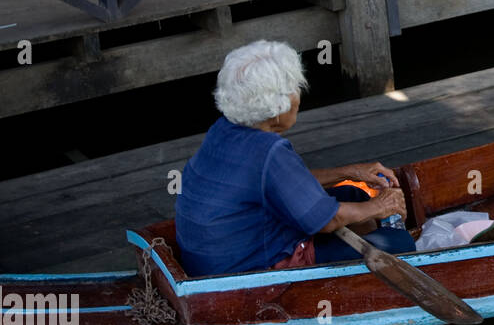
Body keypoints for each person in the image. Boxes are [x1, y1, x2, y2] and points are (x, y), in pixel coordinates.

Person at [175, 41, 415, 277]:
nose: (298, 96)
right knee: (398, 243)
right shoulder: (269, 150)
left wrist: (350, 173)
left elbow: (285, 184)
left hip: (210, 259)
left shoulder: (223, 130)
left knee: (355, 194)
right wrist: (381, 206)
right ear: (279, 105)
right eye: (295, 89)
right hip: (247, 271)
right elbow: (326, 221)